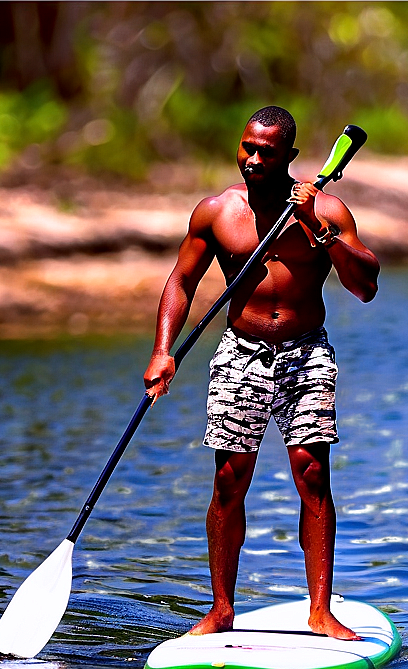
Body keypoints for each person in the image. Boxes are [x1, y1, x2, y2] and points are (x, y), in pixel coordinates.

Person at [143, 106, 379, 640]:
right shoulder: (216, 212)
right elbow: (180, 282)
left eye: (266, 152)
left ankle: (320, 610)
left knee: (312, 476)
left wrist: (320, 231)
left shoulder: (325, 209)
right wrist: (163, 351)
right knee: (229, 482)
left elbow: (366, 285)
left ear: (289, 157)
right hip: (239, 354)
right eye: (247, 147)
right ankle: (221, 608)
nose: (253, 160)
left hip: (306, 353)